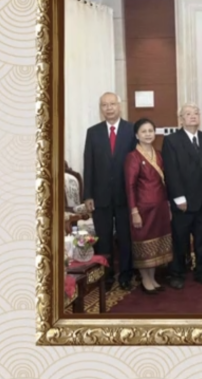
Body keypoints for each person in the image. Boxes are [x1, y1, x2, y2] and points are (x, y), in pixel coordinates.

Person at [83, 92, 137, 291]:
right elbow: (88, 165)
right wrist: (88, 195)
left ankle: (126, 274)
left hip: (125, 195)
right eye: (104, 105)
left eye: (112, 104)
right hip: (100, 196)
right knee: (103, 238)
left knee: (125, 237)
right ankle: (105, 276)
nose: (109, 108)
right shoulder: (93, 132)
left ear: (119, 106)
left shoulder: (131, 130)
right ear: (101, 109)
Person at [162, 104, 202, 289]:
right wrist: (178, 197)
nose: (193, 116)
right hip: (183, 200)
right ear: (181, 119)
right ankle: (177, 273)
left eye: (196, 113)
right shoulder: (172, 140)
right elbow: (171, 171)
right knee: (180, 240)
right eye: (188, 114)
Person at [123, 118, 175, 294]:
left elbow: (165, 182)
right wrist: (134, 211)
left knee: (157, 243)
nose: (147, 134)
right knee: (143, 244)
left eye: (150, 131)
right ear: (137, 135)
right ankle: (145, 279)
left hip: (160, 207)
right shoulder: (133, 157)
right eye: (143, 131)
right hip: (142, 209)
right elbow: (130, 186)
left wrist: (168, 205)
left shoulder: (158, 154)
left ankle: (152, 277)